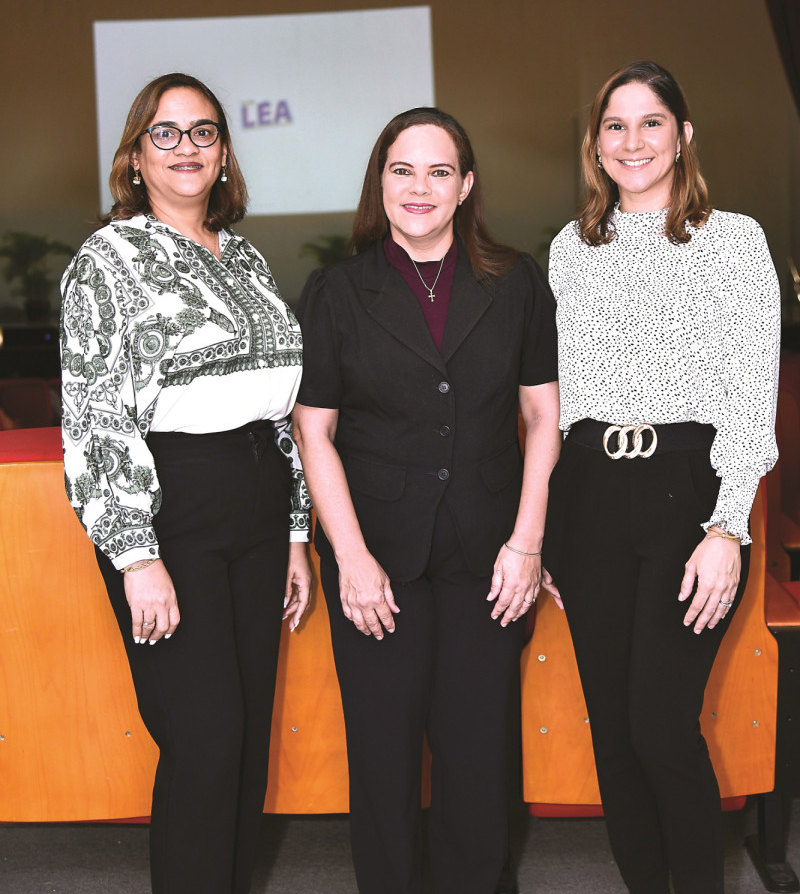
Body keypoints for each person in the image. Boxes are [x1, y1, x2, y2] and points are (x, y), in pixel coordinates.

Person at [292, 107, 560, 894]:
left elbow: (544, 417)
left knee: (479, 757)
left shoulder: (514, 282)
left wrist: (528, 541)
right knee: (382, 758)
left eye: (439, 171)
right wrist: (350, 558)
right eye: (403, 170)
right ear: (382, 183)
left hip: (491, 555)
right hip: (376, 557)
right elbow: (315, 433)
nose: (420, 187)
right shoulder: (337, 290)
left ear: (466, 185)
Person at [60, 73, 312, 894]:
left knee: (240, 744)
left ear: (224, 151)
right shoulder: (110, 258)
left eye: (203, 132)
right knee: (202, 740)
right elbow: (96, 415)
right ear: (135, 156)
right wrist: (136, 557)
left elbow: (286, 413)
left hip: (256, 498)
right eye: (164, 134)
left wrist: (297, 533)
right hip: (169, 504)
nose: (186, 148)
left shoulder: (243, 255)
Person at [545, 60, 781, 894]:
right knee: (612, 731)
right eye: (615, 124)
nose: (632, 140)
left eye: (651, 122)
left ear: (683, 136)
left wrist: (728, 529)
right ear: (596, 144)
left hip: (691, 494)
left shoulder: (734, 239)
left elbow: (752, 401)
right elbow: (557, 403)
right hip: (589, 499)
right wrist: (545, 525)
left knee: (659, 725)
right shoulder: (571, 248)